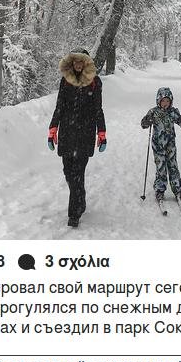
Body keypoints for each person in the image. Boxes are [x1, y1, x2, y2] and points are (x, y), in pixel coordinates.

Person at [48, 49, 106, 228]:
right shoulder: (65, 81)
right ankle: (80, 198)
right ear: (71, 63)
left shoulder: (95, 82)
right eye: (75, 62)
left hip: (85, 132)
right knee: (68, 172)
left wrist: (101, 133)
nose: (78, 65)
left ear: (86, 63)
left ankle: (74, 214)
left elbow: (98, 109)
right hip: (67, 133)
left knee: (77, 174)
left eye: (81, 62)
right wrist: (53, 129)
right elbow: (59, 106)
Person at [141, 87, 181, 202]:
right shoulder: (153, 112)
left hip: (170, 144)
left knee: (173, 166)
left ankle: (177, 189)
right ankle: (160, 190)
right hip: (158, 145)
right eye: (163, 101)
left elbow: (180, 122)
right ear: (158, 101)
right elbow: (143, 124)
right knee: (161, 167)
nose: (165, 103)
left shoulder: (173, 112)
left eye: (168, 101)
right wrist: (147, 121)